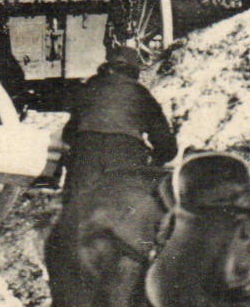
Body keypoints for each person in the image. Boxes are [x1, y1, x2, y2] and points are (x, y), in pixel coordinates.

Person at [60, 44, 176, 195]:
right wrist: (155, 160)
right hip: (125, 155)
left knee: (76, 208)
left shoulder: (90, 88)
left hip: (86, 155)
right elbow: (165, 144)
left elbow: (68, 134)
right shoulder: (140, 94)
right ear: (134, 71)